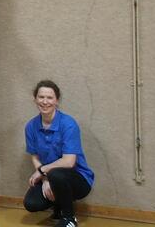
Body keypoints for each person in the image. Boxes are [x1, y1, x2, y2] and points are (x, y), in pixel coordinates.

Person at [24, 80, 94, 227]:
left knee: (56, 175)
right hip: (50, 176)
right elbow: (35, 156)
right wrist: (44, 180)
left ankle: (69, 219)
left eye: (49, 98)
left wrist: (43, 172)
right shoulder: (31, 126)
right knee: (31, 203)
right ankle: (58, 206)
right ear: (35, 99)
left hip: (78, 179)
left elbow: (69, 162)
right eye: (41, 97)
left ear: (57, 100)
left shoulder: (68, 124)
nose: (45, 101)